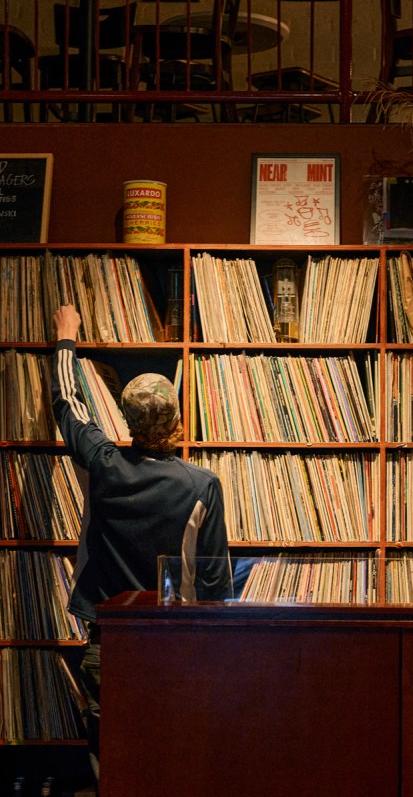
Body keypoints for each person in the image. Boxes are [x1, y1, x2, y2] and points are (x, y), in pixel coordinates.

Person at [52, 304, 230, 787]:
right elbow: (214, 584)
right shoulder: (203, 484)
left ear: (127, 420)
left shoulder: (105, 465)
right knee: (172, 759)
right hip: (175, 645)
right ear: (175, 416)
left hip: (109, 644)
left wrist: (67, 336)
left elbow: (67, 405)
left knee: (113, 766)